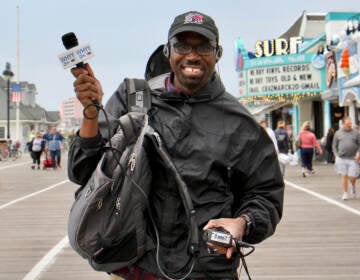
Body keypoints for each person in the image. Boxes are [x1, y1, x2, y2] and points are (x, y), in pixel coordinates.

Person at [68, 11, 284, 279]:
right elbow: (81, 171)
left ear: (217, 54)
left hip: (207, 270)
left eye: (203, 47)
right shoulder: (133, 98)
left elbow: (266, 193)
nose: (192, 55)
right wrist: (91, 110)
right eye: (182, 45)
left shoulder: (240, 122)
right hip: (135, 266)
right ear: (168, 51)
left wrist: (242, 223)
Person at [332, 117, 360, 200]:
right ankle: (345, 193)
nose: (349, 125)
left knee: (352, 176)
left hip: (353, 158)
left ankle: (353, 185)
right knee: (343, 175)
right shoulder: (338, 133)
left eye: (350, 123)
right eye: (348, 124)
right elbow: (334, 145)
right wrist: (336, 155)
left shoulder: (356, 133)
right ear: (343, 124)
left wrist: (358, 154)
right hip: (341, 158)